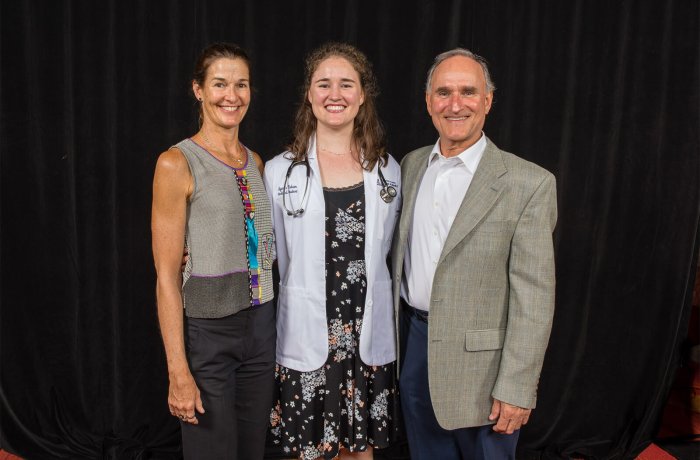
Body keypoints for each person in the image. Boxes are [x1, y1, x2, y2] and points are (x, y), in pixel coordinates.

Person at [391, 48, 557, 459]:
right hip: (414, 346)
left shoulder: (528, 183)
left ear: (488, 100)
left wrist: (518, 386)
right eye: (444, 92)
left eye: (468, 91)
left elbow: (534, 298)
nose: (455, 103)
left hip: (485, 368)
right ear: (428, 101)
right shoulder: (409, 167)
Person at [265, 42, 401, 459]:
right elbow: (269, 250)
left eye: (346, 84)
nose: (334, 94)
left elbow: (390, 251)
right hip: (309, 329)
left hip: (365, 331)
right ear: (309, 94)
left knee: (359, 449)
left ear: (363, 95)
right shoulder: (279, 171)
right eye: (323, 84)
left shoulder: (388, 170)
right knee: (308, 450)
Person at [151, 42, 275, 459]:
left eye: (241, 85)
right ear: (198, 90)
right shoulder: (176, 163)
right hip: (209, 333)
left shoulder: (255, 162)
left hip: (260, 330)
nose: (232, 95)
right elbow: (167, 277)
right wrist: (178, 370)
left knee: (252, 452)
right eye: (219, 83)